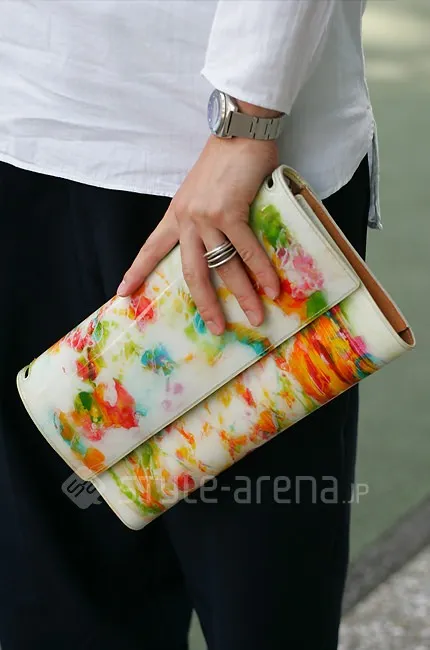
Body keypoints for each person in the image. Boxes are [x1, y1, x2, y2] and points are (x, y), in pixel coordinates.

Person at [0, 1, 379, 649]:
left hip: (240, 174)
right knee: (54, 596)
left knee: (264, 593)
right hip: (27, 124)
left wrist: (247, 121)